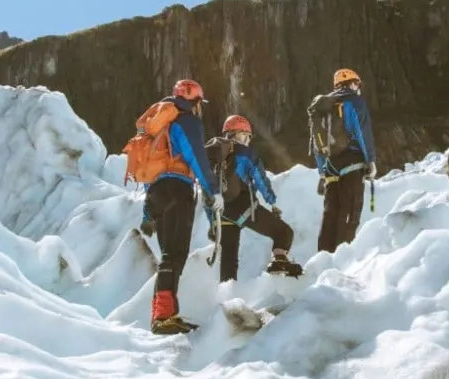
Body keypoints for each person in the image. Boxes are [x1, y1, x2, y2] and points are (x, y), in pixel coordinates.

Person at [124, 79, 222, 335]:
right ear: (195, 102)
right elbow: (196, 157)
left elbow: (150, 171)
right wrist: (213, 191)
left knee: (169, 256)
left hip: (157, 192)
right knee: (175, 255)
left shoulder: (158, 126)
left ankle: (163, 314)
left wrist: (150, 211)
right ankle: (164, 316)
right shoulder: (186, 121)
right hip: (178, 190)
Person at [204, 114, 303, 282]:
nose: (246, 141)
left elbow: (206, 192)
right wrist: (272, 201)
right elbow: (260, 179)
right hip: (243, 206)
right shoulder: (244, 153)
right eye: (245, 136)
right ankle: (278, 265)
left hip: (222, 213)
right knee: (284, 232)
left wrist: (213, 222)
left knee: (229, 259)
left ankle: (227, 295)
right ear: (237, 135)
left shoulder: (212, 156)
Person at [308, 68, 377, 253]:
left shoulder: (323, 106)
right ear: (352, 83)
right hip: (352, 163)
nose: (358, 87)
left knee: (330, 213)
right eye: (357, 84)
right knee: (349, 212)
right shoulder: (354, 101)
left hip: (331, 166)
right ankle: (341, 259)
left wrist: (322, 172)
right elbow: (362, 131)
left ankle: (323, 257)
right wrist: (370, 160)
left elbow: (317, 143)